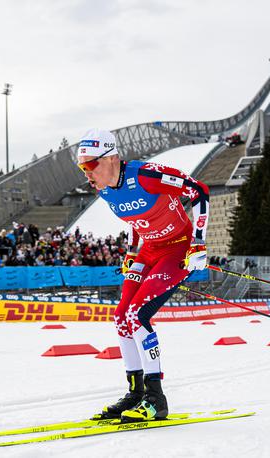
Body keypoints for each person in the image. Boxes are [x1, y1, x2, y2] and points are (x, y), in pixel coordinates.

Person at [76, 128, 209, 423]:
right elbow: (137, 220)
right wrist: (132, 252)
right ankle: (135, 393)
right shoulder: (104, 189)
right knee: (122, 316)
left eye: (90, 165)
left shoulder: (146, 175)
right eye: (82, 167)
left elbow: (198, 191)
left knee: (138, 315)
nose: (86, 174)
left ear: (110, 158)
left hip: (177, 249)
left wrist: (199, 242)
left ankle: (156, 398)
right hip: (148, 251)